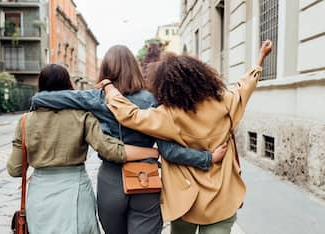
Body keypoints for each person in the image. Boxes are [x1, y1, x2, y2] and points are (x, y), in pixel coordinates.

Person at [31, 45, 228, 234]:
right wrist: (208, 158)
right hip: (145, 179)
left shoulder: (96, 97)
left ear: (106, 70)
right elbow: (169, 151)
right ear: (134, 68)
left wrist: (36, 100)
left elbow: (47, 99)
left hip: (111, 180)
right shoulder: (152, 100)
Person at [99, 41, 273, 234]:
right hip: (221, 199)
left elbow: (130, 115)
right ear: (202, 76)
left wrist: (110, 89)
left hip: (186, 201)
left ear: (166, 85)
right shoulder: (224, 102)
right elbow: (245, 85)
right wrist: (261, 57)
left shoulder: (167, 114)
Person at [7, 64, 165, 234]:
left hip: (40, 193)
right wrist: (152, 152)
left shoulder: (25, 121)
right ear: (68, 85)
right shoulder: (82, 116)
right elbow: (109, 150)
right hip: (75, 190)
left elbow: (15, 169)